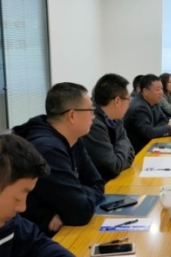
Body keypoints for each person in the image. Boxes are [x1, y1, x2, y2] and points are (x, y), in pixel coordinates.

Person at [13, 82, 105, 236]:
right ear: (72, 115)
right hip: (37, 235)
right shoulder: (47, 150)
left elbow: (97, 183)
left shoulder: (73, 139)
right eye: (91, 110)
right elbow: (81, 212)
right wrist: (74, 203)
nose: (93, 116)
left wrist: (72, 204)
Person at [82, 73, 135, 181]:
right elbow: (113, 168)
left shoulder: (116, 119)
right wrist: (123, 141)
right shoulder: (93, 124)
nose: (129, 104)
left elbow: (131, 155)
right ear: (117, 101)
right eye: (128, 100)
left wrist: (119, 159)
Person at [123, 74, 171, 153]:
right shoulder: (139, 107)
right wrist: (170, 129)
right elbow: (148, 132)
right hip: (139, 151)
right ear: (145, 91)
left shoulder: (154, 101)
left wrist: (155, 129)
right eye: (157, 89)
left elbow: (164, 119)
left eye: (161, 89)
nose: (161, 93)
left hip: (151, 143)